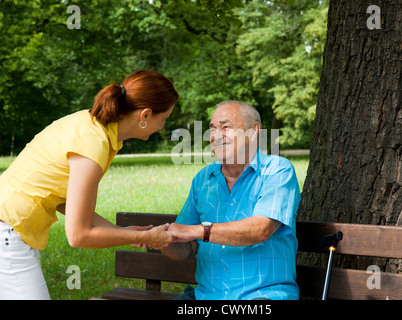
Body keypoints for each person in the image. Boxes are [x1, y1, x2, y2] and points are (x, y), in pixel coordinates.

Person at [0, 69, 178, 299]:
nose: (163, 127)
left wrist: (120, 231)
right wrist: (143, 237)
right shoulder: (93, 144)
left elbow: (67, 204)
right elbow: (78, 235)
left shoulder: (91, 125)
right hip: (9, 232)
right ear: (145, 116)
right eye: (163, 119)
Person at [162, 100, 301, 300]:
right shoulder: (203, 179)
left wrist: (196, 230)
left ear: (253, 131)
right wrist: (163, 240)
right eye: (212, 130)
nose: (216, 137)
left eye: (225, 127)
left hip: (262, 296)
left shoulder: (277, 171)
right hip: (205, 297)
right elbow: (187, 247)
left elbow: (260, 230)